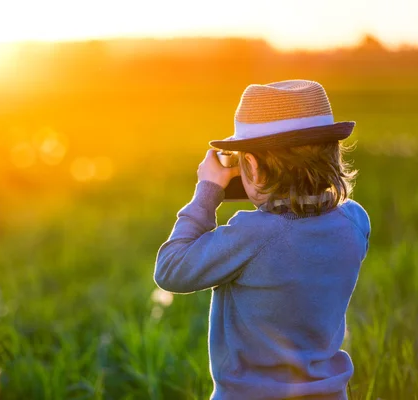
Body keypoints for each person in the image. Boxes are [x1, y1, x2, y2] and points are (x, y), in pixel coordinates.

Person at [154, 80, 371, 400]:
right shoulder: (354, 221)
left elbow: (170, 269)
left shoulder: (251, 235)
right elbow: (304, 233)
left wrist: (208, 193)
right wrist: (270, 192)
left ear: (252, 168)